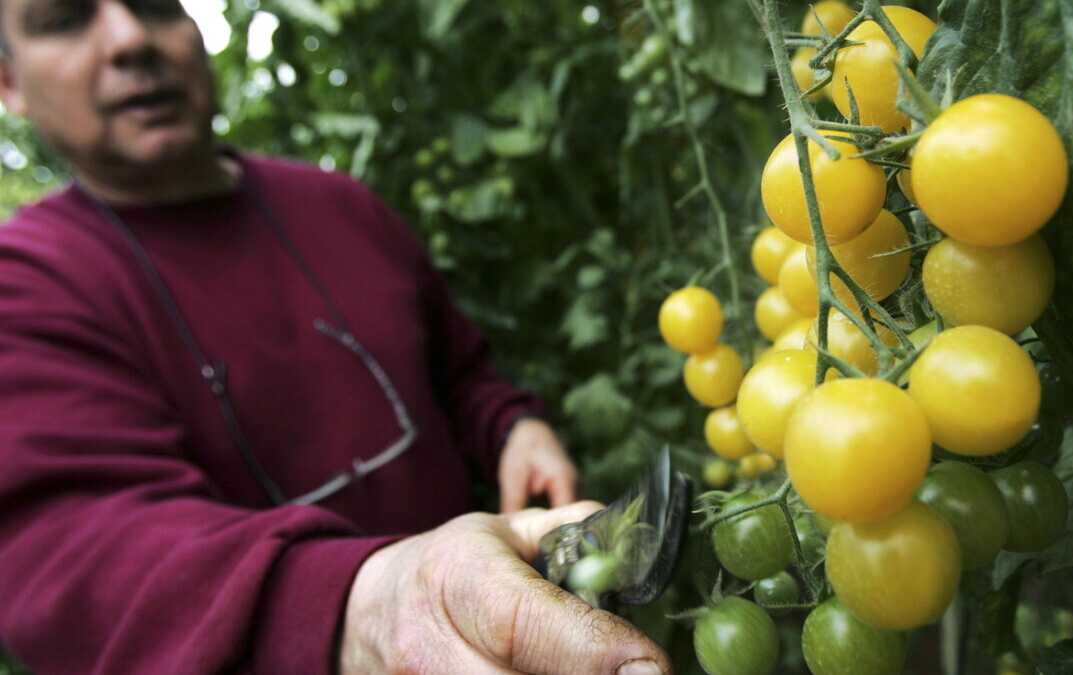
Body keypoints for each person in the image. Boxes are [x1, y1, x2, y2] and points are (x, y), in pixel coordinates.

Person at [0, 1, 671, 673]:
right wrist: (373, 609)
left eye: (154, 5)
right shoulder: (27, 284)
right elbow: (78, 552)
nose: (129, 39)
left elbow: (460, 369)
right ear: (9, 84)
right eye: (64, 18)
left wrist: (512, 427)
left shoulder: (340, 204)